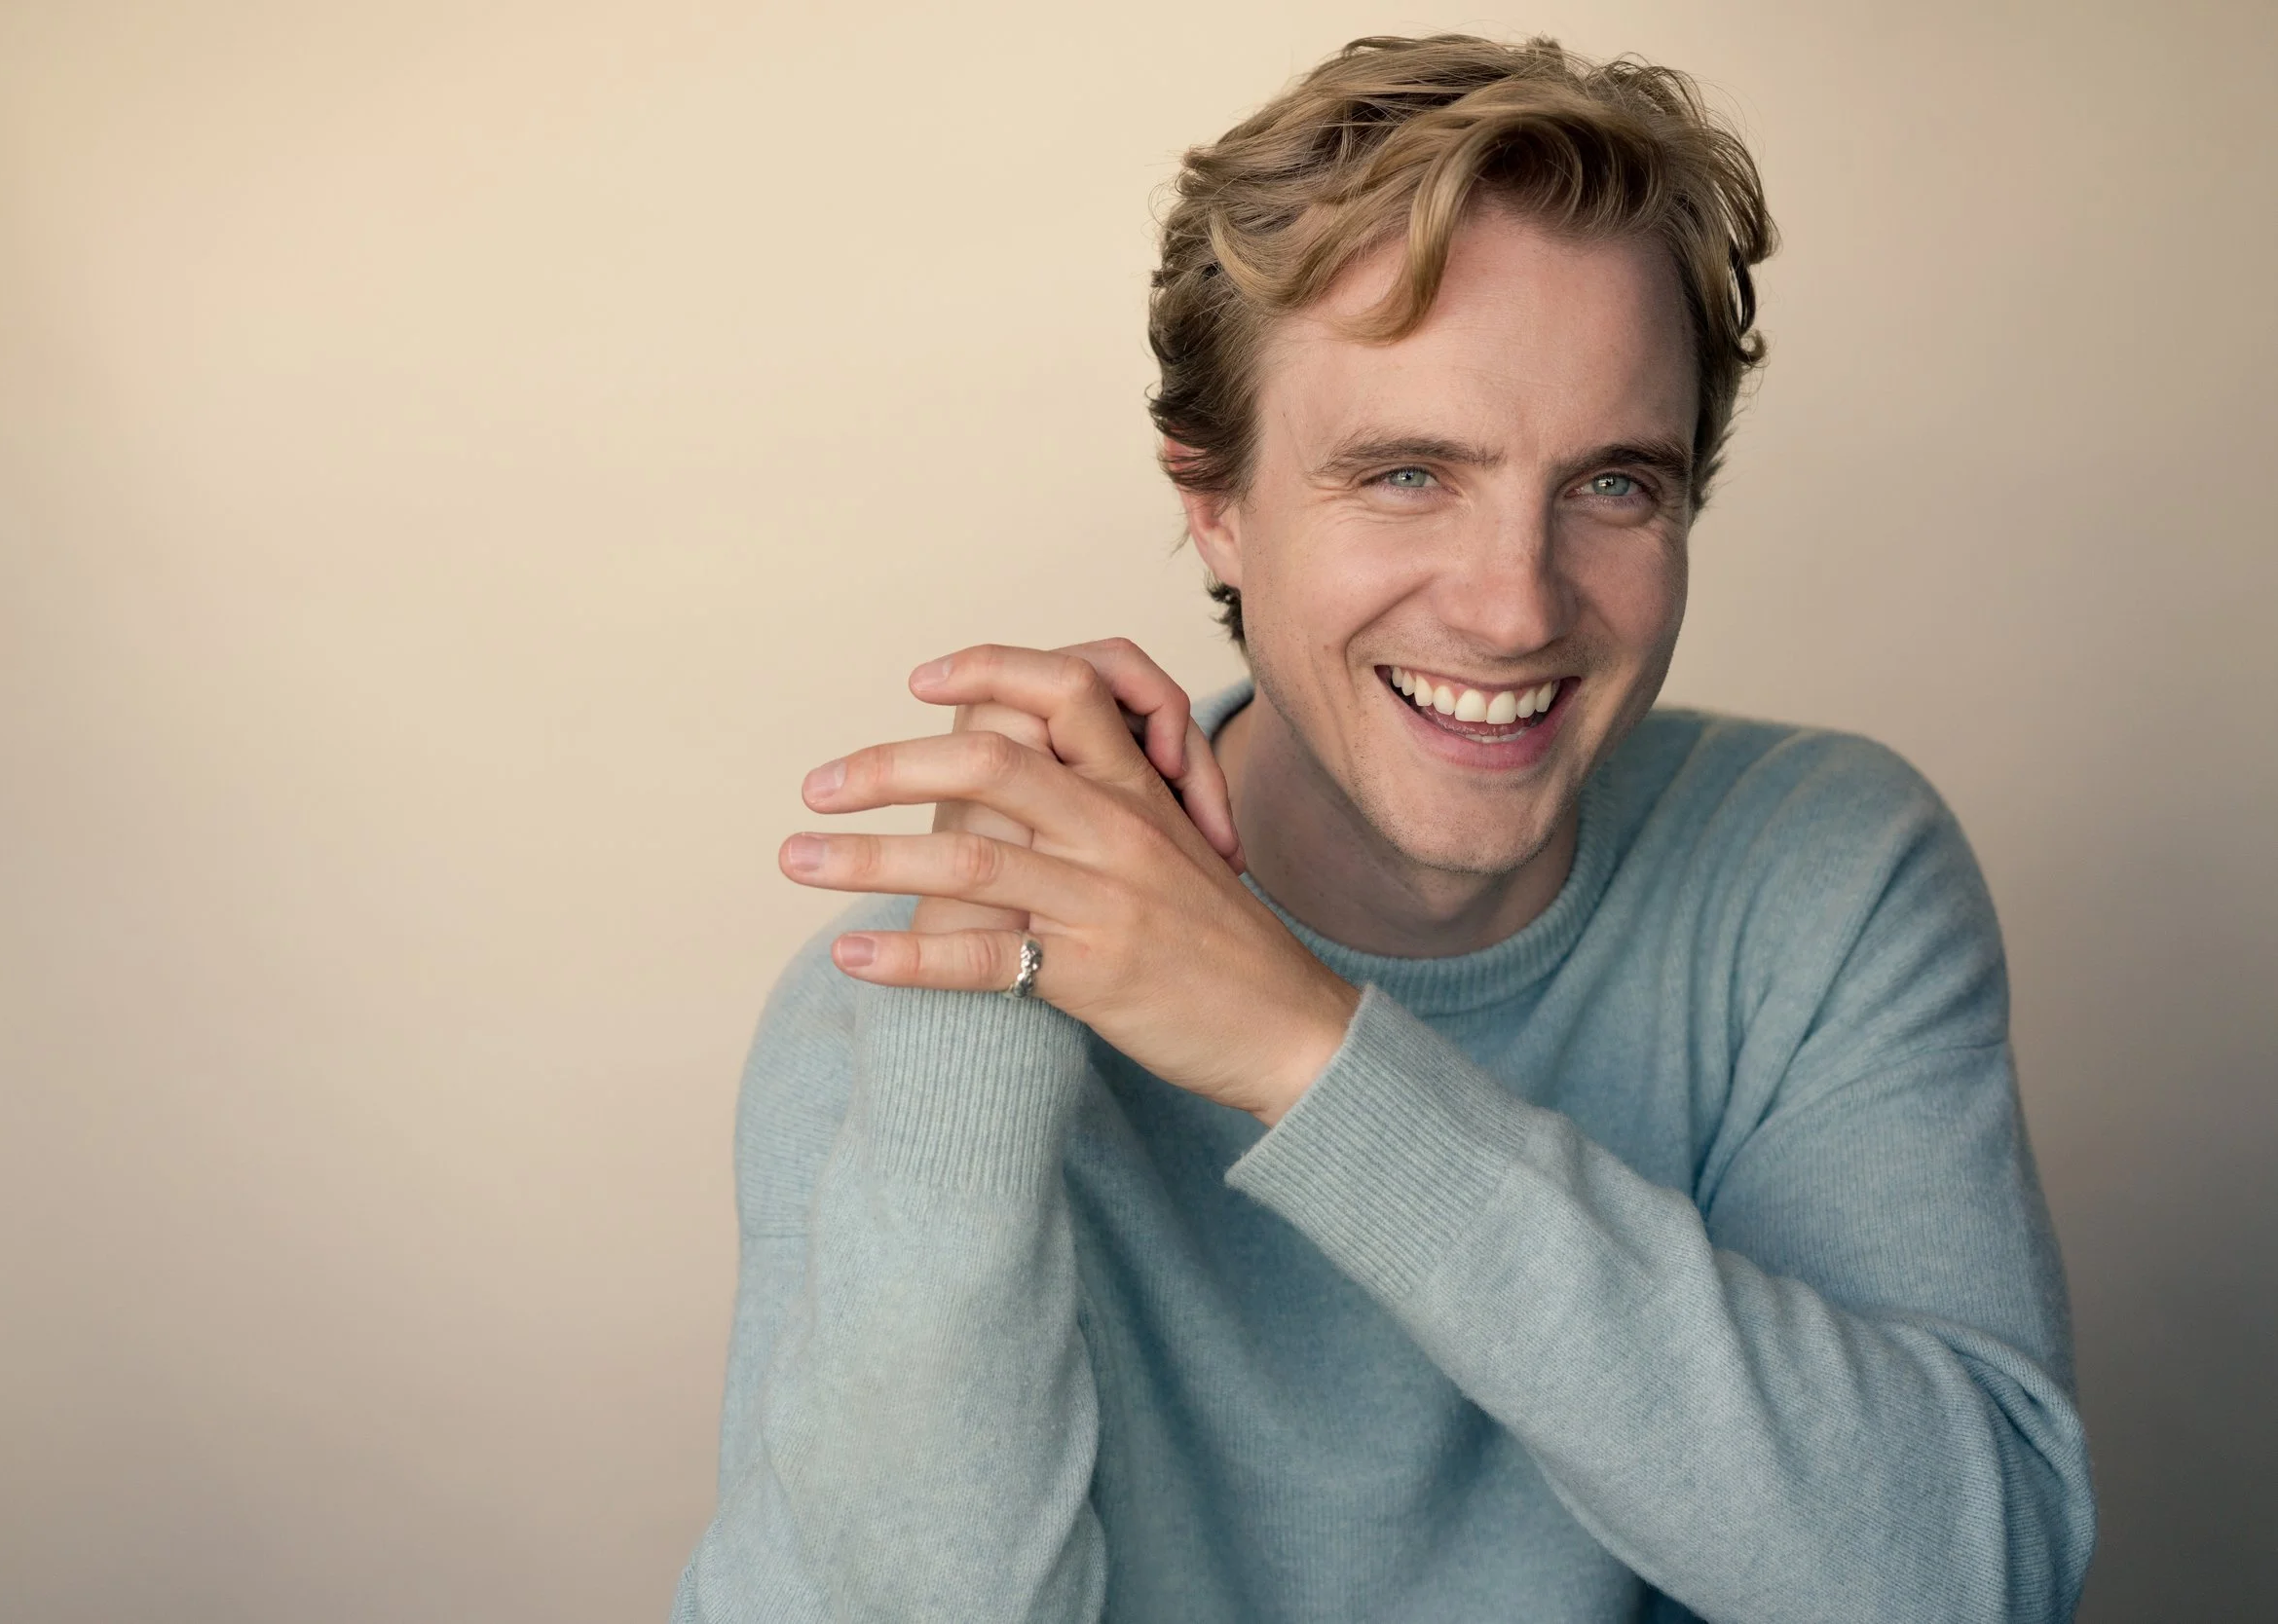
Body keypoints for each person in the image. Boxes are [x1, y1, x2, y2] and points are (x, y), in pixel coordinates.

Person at [672, 33, 2095, 1624]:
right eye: (1411, 473)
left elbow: (1976, 1581)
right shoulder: (908, 993)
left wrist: (1305, 1055)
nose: (1514, 607)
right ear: (1214, 503)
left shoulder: (1821, 875)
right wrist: (973, 1044)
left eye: (1614, 486)